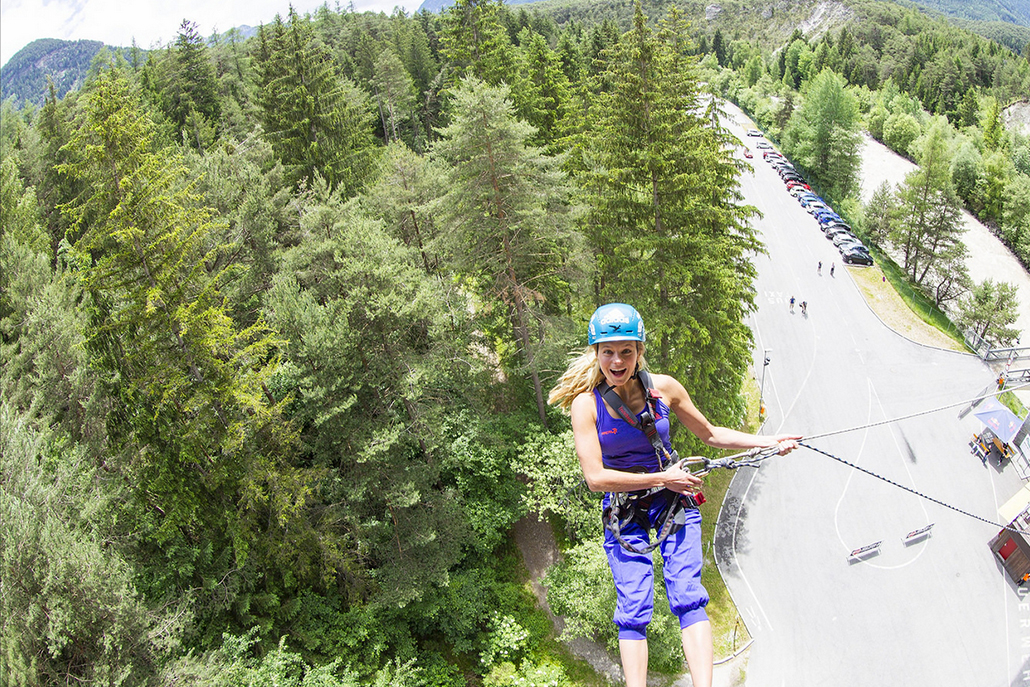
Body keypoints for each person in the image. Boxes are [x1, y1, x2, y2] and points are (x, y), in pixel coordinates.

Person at [548, 304, 800, 687]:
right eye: (608, 352)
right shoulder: (587, 405)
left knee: (689, 595)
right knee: (633, 607)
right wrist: (661, 478)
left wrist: (769, 441)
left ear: (640, 350)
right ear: (595, 354)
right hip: (626, 507)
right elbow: (596, 478)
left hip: (672, 497)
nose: (617, 361)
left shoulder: (663, 389)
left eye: (626, 352)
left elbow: (711, 434)